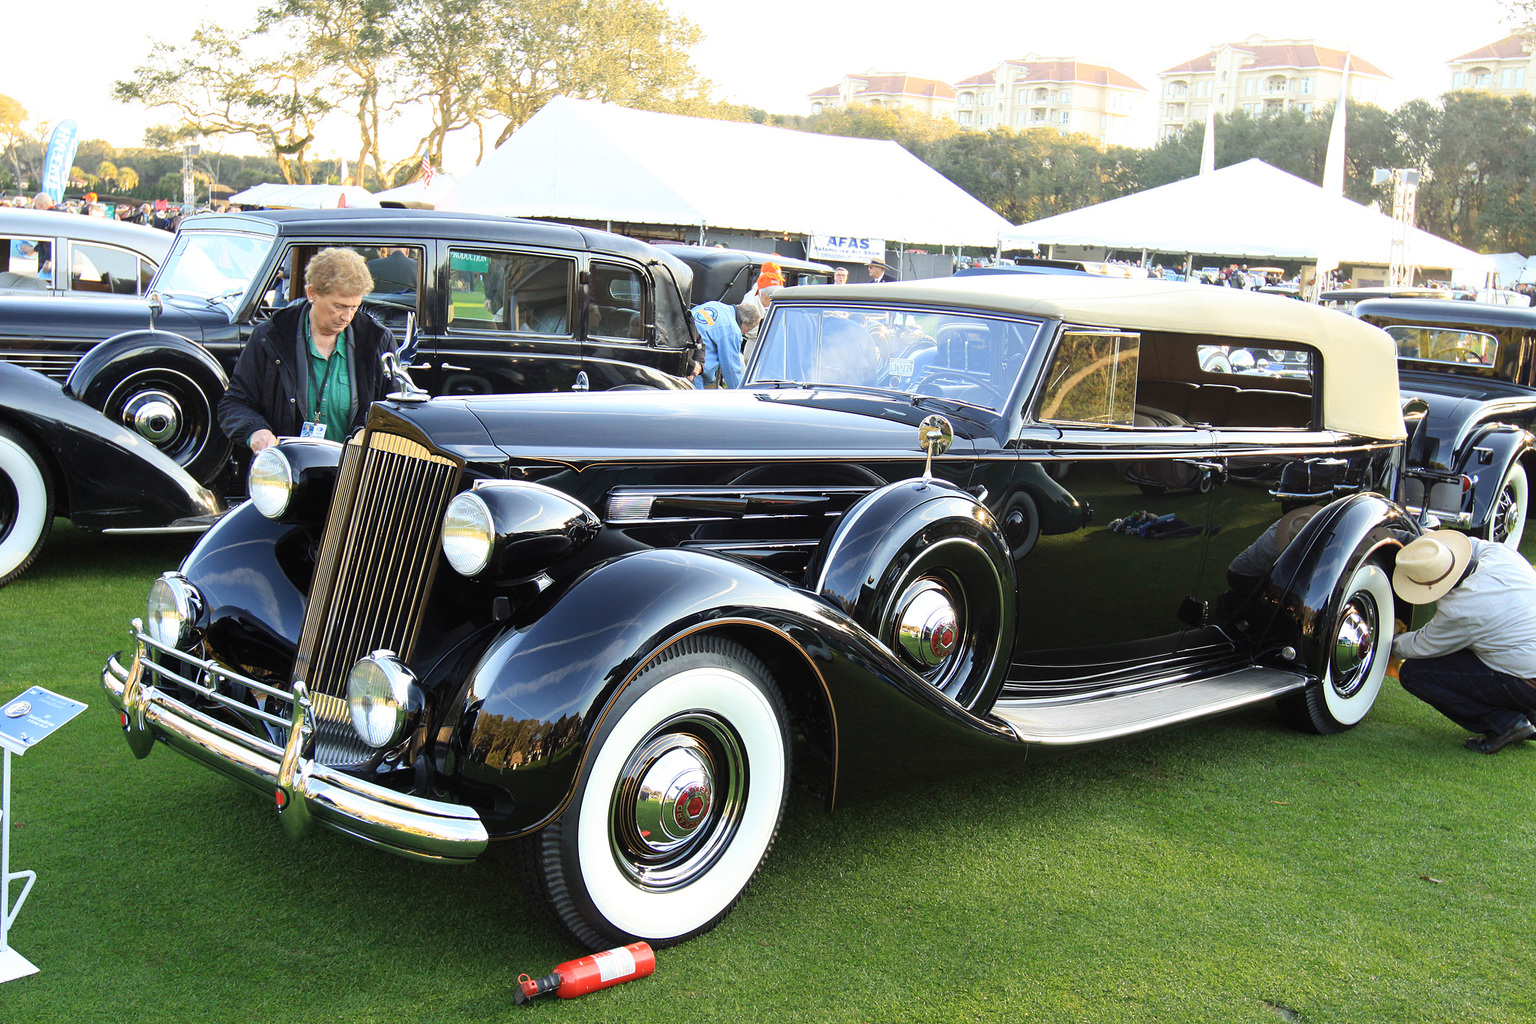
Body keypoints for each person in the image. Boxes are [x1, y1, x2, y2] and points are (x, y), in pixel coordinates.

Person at [219, 248, 395, 454]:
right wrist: (256, 432)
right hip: (286, 472)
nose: (347, 317)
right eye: (339, 306)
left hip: (354, 474)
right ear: (312, 293)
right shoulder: (271, 335)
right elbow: (234, 403)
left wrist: (368, 433)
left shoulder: (377, 340)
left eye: (354, 307)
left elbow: (397, 411)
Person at [1390, 530, 1536, 753]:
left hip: (1525, 682)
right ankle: (1529, 711)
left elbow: (1420, 646)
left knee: (1414, 673)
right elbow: (1470, 544)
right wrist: (1419, 542)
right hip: (1526, 662)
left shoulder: (1460, 610)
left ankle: (1505, 723)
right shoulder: (1499, 554)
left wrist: (1390, 641)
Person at [691, 300, 760, 389]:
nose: (745, 333)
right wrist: (741, 394)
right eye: (748, 329)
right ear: (744, 322)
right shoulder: (732, 330)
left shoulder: (715, 305)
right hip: (695, 372)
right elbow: (731, 369)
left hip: (680, 357)